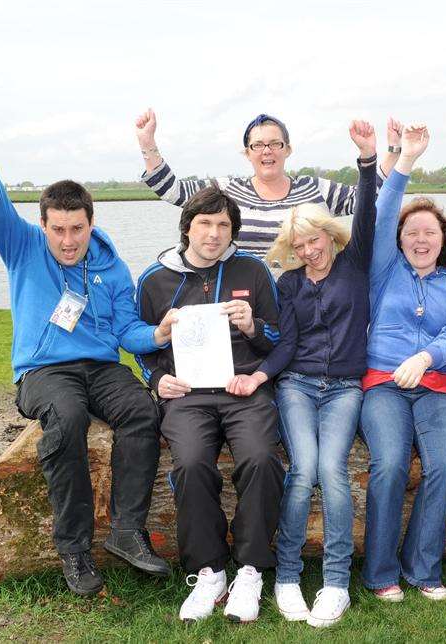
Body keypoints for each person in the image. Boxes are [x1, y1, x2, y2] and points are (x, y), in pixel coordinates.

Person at [0, 105, 178, 597]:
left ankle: (127, 532)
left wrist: (158, 336)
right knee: (68, 416)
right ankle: (74, 549)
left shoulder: (113, 267)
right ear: (43, 224)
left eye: (76, 228)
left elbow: (127, 331)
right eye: (57, 229)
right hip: (44, 371)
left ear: (91, 221)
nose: (67, 240)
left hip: (102, 367)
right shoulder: (22, 246)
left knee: (143, 410)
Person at [228, 119, 378, 627]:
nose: (310, 251)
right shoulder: (289, 284)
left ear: (329, 235)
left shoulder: (355, 264)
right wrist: (260, 377)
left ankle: (336, 583)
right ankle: (287, 575)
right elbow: (286, 344)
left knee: (331, 472)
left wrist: (367, 160)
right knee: (301, 473)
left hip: (344, 388)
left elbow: (370, 211)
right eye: (300, 246)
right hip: (296, 385)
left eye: (315, 240)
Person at [135, 186, 283, 624]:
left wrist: (254, 326)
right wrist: (157, 379)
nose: (214, 233)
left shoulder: (253, 271)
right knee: (192, 464)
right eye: (205, 223)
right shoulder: (154, 279)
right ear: (187, 228)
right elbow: (142, 342)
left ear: (232, 231)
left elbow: (278, 337)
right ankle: (209, 569)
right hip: (187, 395)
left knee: (260, 458)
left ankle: (252, 568)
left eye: (223, 225)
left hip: (243, 389)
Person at [358, 126, 446, 604]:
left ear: (443, 238)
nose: (421, 239)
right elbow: (380, 218)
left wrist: (426, 357)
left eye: (430, 232)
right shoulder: (383, 270)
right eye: (412, 231)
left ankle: (423, 568)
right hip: (381, 384)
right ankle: (380, 572)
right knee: (391, 464)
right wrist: (405, 163)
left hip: (437, 385)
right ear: (400, 238)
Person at [135, 109, 401, 258]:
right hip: (246, 302)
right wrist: (148, 144)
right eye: (258, 145)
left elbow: (368, 198)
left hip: (306, 301)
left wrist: (391, 151)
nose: (267, 151)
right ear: (247, 152)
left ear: (288, 149)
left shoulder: (313, 189)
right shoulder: (228, 190)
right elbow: (175, 192)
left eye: (275, 144)